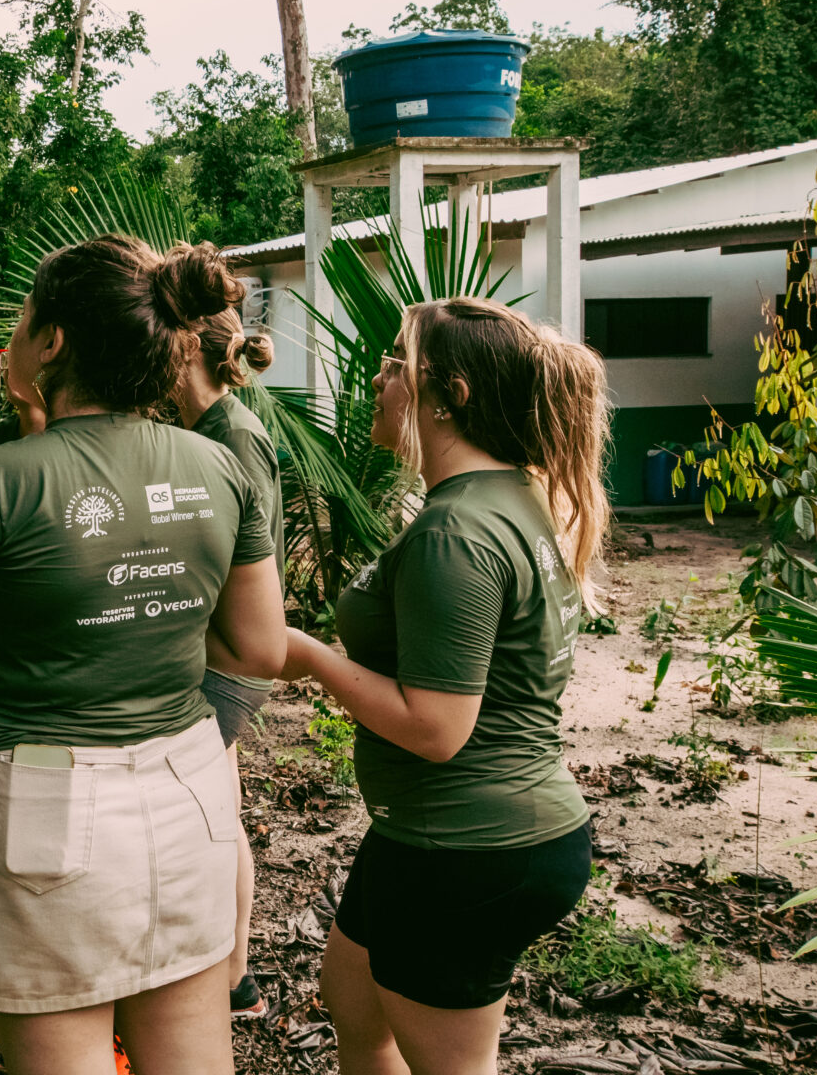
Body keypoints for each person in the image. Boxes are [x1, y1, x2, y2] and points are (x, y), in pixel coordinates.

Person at [0, 236, 290, 1075]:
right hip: (192, 794)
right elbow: (260, 645)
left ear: (54, 342)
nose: (14, 339)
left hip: (46, 810)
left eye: (24, 320)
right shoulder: (220, 464)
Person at [223, 296, 607, 1075]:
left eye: (397, 362)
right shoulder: (510, 498)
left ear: (449, 395)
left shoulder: (455, 534)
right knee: (353, 998)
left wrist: (310, 656)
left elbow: (437, 728)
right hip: (442, 832)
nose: (377, 375)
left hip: (469, 846)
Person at [171, 310, 281, 1022]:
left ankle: (228, 973)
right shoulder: (193, 429)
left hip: (231, 655)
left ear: (183, 347)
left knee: (205, 813)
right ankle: (235, 977)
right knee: (221, 811)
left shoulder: (235, 435)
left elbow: (250, 565)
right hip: (202, 646)